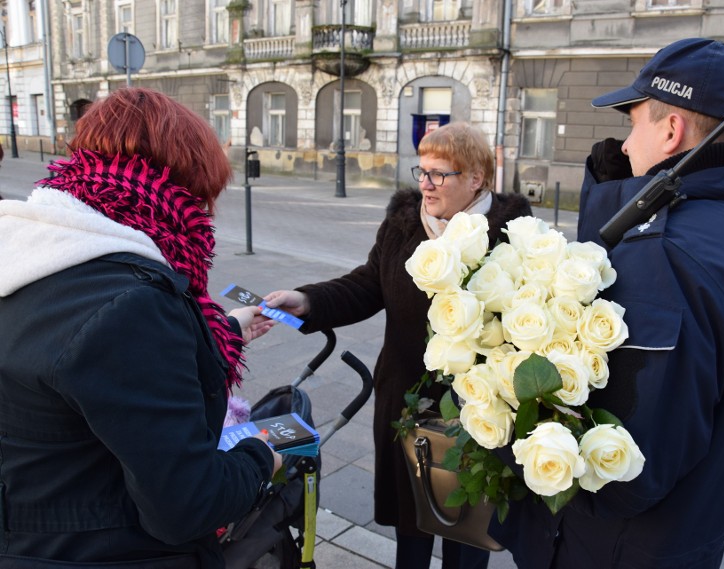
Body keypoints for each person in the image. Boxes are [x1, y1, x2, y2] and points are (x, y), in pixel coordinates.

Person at [489, 38, 724, 568]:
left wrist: (504, 415)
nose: (624, 145)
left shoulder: (667, 254)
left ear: (671, 131)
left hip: (614, 549)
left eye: (634, 124)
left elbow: (629, 469)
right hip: (683, 537)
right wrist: (617, 201)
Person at [0, 87, 281, 568]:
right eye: (204, 197)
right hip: (108, 553)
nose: (207, 214)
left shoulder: (36, 248)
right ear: (185, 187)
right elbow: (186, 505)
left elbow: (84, 366)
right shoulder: (132, 305)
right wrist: (260, 456)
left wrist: (226, 329)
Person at [262, 122, 532, 569]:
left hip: (479, 410)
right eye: (421, 171)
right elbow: (368, 284)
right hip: (407, 401)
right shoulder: (404, 224)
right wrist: (307, 300)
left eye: (438, 174)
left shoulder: (512, 235)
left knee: (467, 535)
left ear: (476, 179)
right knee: (412, 528)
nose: (425, 183)